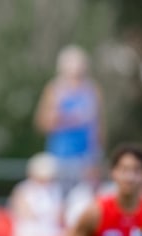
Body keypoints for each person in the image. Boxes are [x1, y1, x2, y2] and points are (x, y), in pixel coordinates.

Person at [34, 45, 104, 194]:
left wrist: (98, 155)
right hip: (60, 157)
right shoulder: (54, 89)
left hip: (87, 158)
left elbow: (99, 126)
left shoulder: (92, 89)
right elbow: (41, 123)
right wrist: (60, 118)